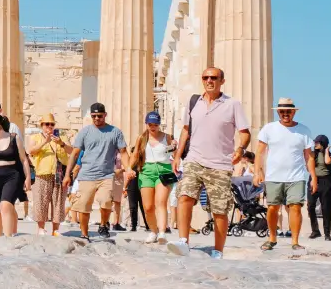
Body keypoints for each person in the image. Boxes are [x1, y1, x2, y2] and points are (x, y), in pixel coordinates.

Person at [168, 67, 251, 259]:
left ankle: (218, 250)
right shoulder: (193, 102)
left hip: (220, 164)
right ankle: (183, 242)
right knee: (184, 196)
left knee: (219, 209)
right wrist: (178, 155)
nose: (209, 80)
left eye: (214, 77)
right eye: (205, 77)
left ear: (222, 81)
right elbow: (185, 130)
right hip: (194, 160)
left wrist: (240, 150)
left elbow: (245, 133)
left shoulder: (233, 104)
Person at [253, 97, 316, 252]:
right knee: (273, 208)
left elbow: (309, 156)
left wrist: (313, 176)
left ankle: (295, 241)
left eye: (288, 111)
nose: (285, 114)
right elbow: (259, 152)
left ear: (293, 112)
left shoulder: (304, 130)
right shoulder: (269, 128)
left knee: (295, 207)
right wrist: (257, 172)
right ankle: (272, 238)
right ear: (278, 112)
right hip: (274, 176)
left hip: (297, 176)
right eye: (282, 111)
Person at [64, 102, 128, 240]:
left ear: (105, 115)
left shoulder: (115, 132)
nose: (97, 118)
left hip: (106, 174)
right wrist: (67, 175)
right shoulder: (85, 132)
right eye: (94, 116)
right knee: (83, 205)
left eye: (99, 115)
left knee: (106, 201)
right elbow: (74, 154)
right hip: (87, 174)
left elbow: (123, 152)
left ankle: (104, 224)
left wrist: (128, 169)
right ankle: (84, 234)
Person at [127, 111, 175, 244]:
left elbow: (174, 152)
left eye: (155, 124)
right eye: (150, 124)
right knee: (147, 206)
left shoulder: (167, 137)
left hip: (164, 170)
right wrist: (129, 168)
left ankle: (162, 233)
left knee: (160, 202)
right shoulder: (141, 138)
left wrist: (174, 147)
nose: (152, 127)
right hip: (146, 171)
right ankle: (153, 231)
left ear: (159, 124)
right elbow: (135, 154)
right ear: (146, 124)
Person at [27, 112, 71, 235]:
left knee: (58, 202)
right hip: (42, 173)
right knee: (41, 201)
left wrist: (61, 143)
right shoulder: (35, 137)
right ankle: (41, 228)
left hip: (58, 174)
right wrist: (45, 142)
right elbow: (31, 151)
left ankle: (55, 230)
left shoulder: (61, 137)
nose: (49, 126)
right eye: (47, 124)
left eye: (52, 124)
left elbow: (72, 151)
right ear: (42, 125)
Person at [307, 134, 331, 239]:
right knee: (310, 206)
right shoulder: (312, 154)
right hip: (314, 180)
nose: (315, 144)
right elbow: (308, 168)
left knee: (326, 208)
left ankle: (327, 233)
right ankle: (315, 230)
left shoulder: (329, 155)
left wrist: (327, 151)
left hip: (326, 181)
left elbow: (327, 162)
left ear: (323, 144)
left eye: (317, 142)